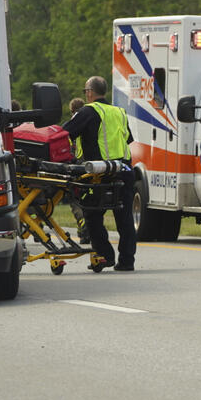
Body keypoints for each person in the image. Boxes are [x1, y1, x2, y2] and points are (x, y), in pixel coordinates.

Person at [62, 76, 137, 272]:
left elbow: (66, 132)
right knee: (125, 218)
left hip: (99, 173)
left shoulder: (88, 111)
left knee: (93, 215)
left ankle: (104, 256)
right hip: (123, 170)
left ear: (89, 92)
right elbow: (128, 138)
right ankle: (127, 261)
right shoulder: (119, 112)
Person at [66, 96, 89, 244]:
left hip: (75, 167)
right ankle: (86, 229)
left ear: (72, 111)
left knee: (75, 202)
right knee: (88, 200)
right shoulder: (89, 120)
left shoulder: (70, 125)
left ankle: (83, 229)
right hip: (90, 166)